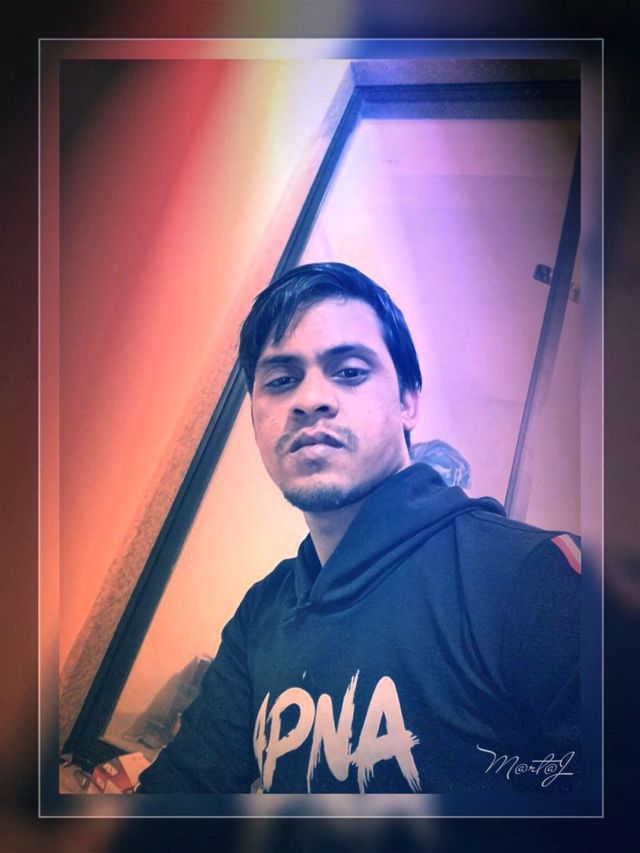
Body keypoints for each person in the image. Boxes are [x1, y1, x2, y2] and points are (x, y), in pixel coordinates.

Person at [138, 262, 580, 794]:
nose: (309, 399)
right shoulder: (262, 612)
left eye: (349, 372)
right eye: (280, 381)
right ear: (255, 418)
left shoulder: (531, 576)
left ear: (408, 401)